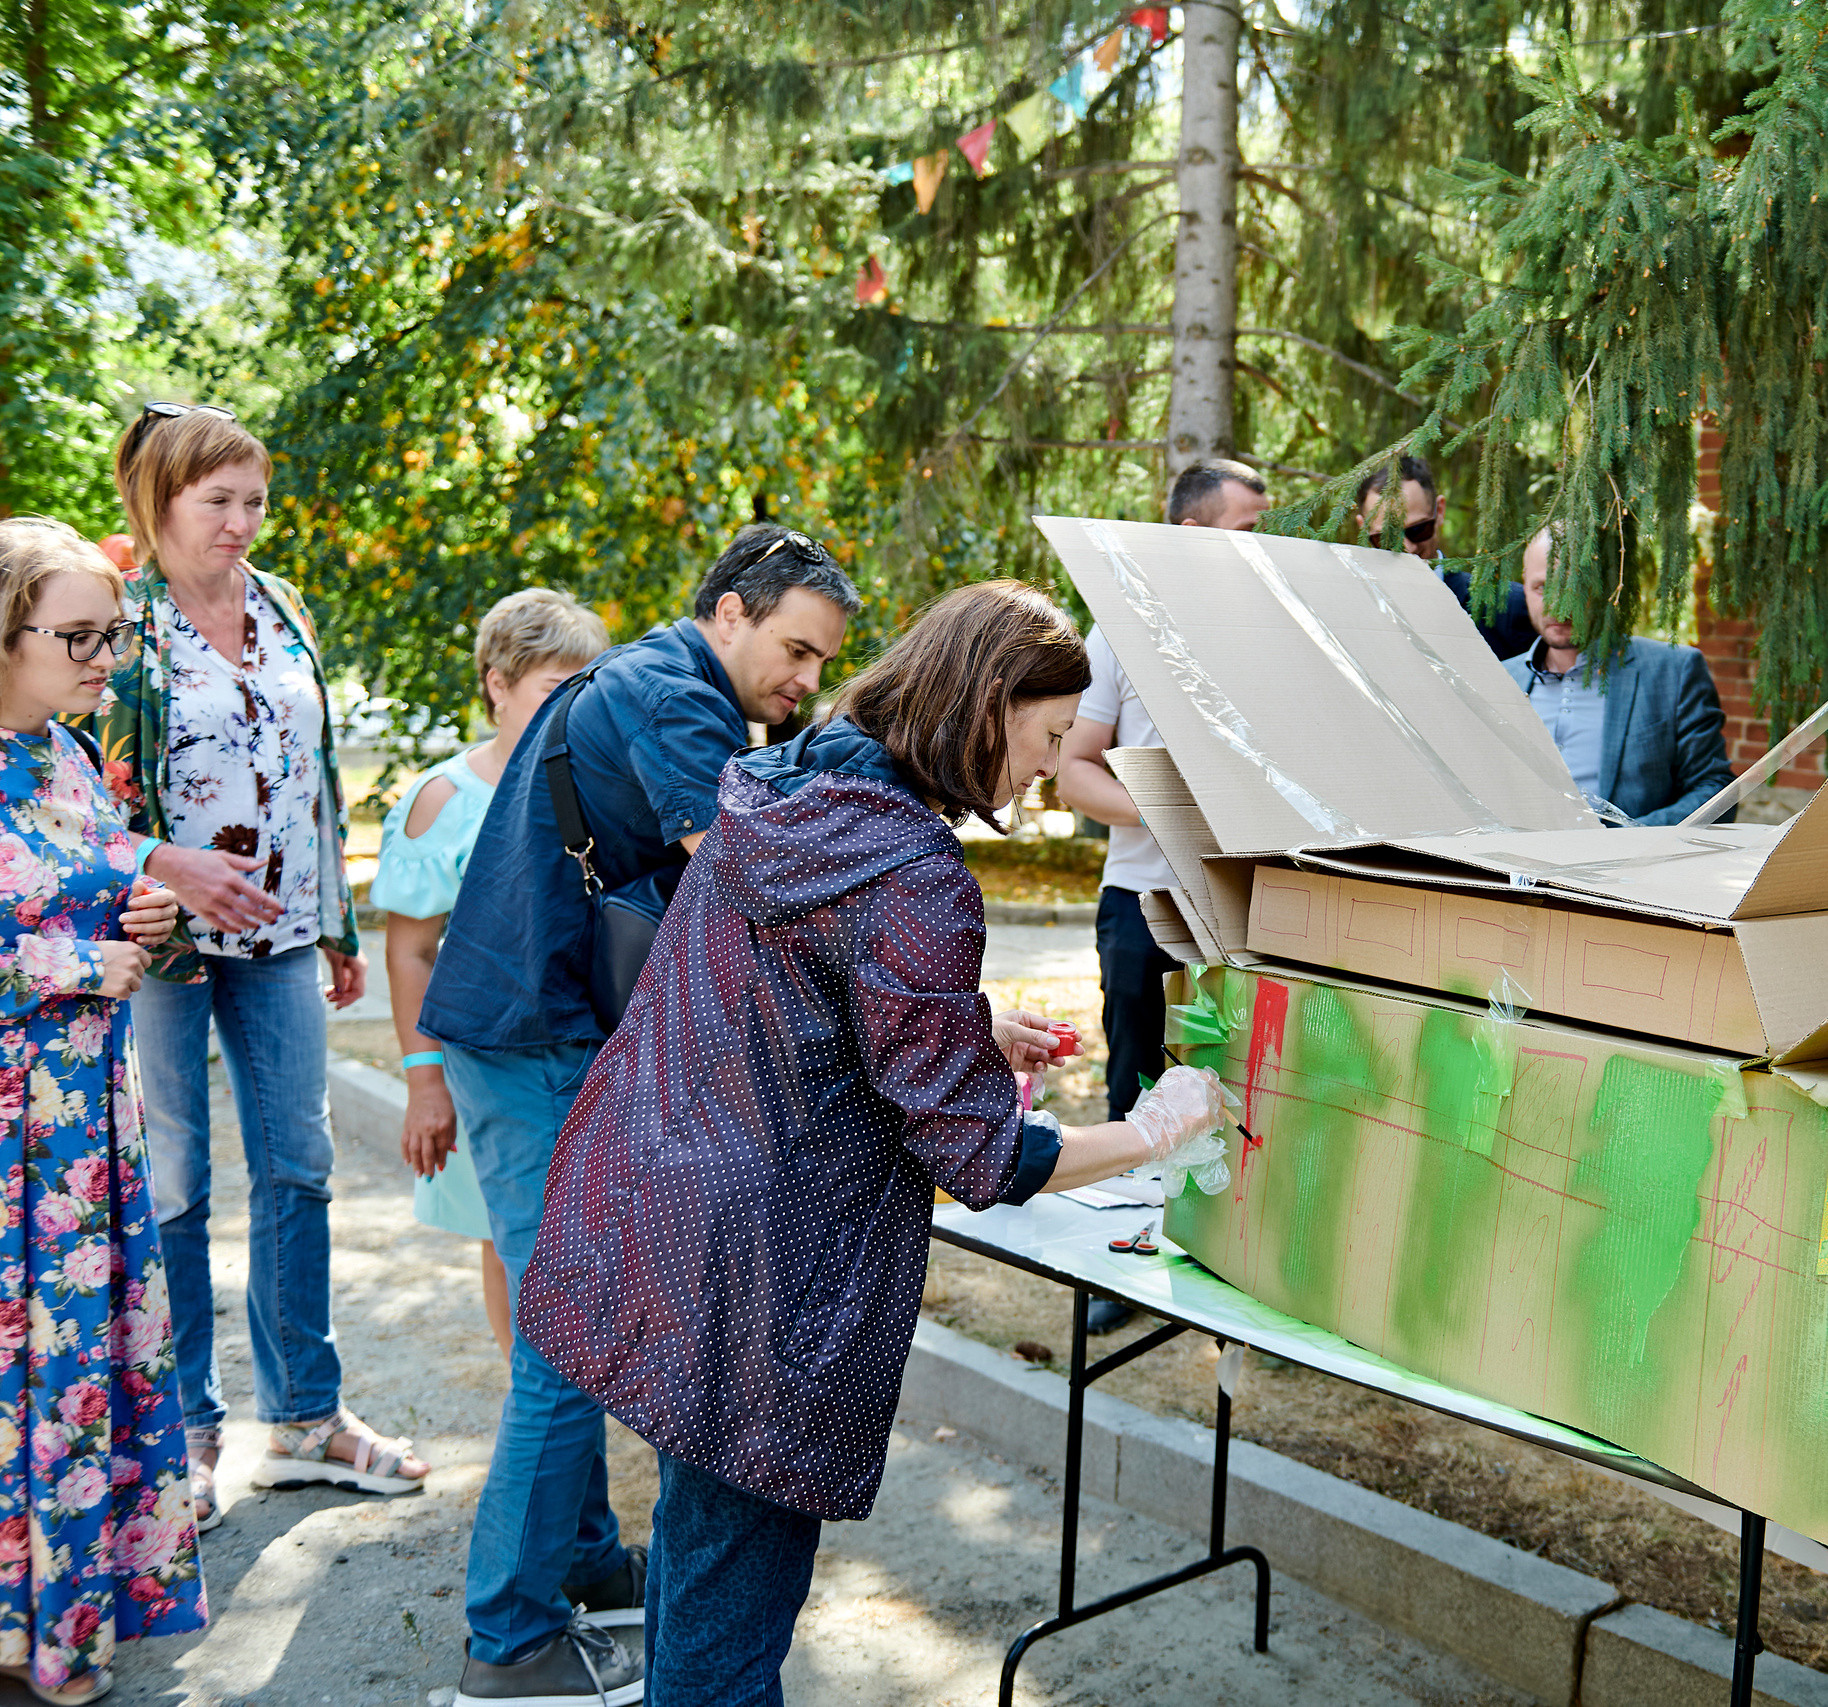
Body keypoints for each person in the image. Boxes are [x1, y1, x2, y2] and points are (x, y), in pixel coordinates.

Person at [516, 579, 1236, 1706]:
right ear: (990, 705)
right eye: (1050, 736)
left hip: (662, 1216)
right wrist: (1152, 1129)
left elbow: (798, 990)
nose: (1049, 768)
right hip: (770, 1284)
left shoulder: (791, 783)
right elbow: (978, 1155)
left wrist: (962, 1022)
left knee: (699, 1576)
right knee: (725, 1637)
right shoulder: (915, 871)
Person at [418, 523, 861, 1707]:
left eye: (823, 663)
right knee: (567, 1348)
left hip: (528, 1024)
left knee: (573, 1328)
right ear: (731, 612)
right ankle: (508, 1641)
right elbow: (746, 874)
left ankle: (585, 1565)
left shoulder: (645, 672)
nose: (806, 680)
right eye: (797, 650)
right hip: (536, 1037)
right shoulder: (678, 696)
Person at [95, 403, 425, 1534]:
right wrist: (163, 871)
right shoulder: (120, 623)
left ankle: (304, 1422)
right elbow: (81, 792)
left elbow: (310, 773)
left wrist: (335, 920)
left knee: (300, 1167)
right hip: (163, 945)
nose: (240, 523)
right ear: (160, 500)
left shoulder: (282, 605)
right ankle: (183, 1434)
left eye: (255, 501)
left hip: (281, 935)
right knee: (177, 1182)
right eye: (217, 502)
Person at [0, 519, 206, 1703]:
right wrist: (77, 964)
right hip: (11, 1138)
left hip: (83, 1130)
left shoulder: (69, 756)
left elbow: (104, 874)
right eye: (77, 636)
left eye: (111, 634)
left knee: (75, 1366)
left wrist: (146, 913)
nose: (104, 660)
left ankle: (58, 1627)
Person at [1056, 462, 1267, 1334]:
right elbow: (1072, 770)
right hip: (1141, 901)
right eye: (1247, 530)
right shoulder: (1118, 635)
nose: (1261, 548)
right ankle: (1122, 1270)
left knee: (1241, 1090)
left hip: (1245, 910)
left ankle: (1228, 1268)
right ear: (1190, 533)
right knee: (1136, 1087)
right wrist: (1164, 812)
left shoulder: (1267, 637)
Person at [379, 590, 608, 1355]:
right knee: (512, 1241)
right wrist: (424, 1081)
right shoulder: (444, 798)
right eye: (554, 686)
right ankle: (530, 1400)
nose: (573, 707)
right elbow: (412, 951)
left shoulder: (594, 784)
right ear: (497, 683)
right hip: (487, 1065)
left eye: (588, 687)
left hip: (582, 1054)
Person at [1500, 526, 1735, 825]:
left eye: (1575, 586)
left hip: (1630, 854)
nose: (1558, 605)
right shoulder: (1499, 679)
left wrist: (1626, 840)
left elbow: (1716, 794)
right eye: (1542, 587)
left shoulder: (1673, 672)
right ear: (1524, 585)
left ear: (1606, 586)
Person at [1354, 453, 1539, 661]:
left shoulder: (1508, 608)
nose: (1407, 547)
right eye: (1387, 537)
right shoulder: (1351, 613)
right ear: (1363, 528)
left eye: (1418, 530)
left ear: (1439, 511)